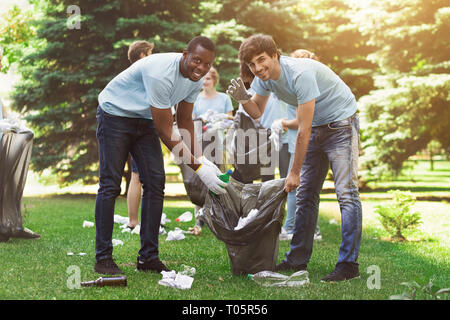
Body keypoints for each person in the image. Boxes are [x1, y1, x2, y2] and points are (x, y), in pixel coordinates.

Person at [227, 34, 362, 282]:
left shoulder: (300, 73)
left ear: (275, 55)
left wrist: (294, 171)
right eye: (252, 64)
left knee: (346, 192)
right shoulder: (263, 79)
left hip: (341, 124)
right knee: (305, 195)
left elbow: (303, 129)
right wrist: (243, 98)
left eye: (262, 60)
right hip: (318, 127)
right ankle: (297, 259)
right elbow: (256, 111)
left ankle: (348, 264)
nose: (258, 68)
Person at [94, 35, 227, 275]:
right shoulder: (161, 72)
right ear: (185, 55)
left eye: (207, 64)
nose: (201, 68)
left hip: (143, 119)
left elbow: (185, 121)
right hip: (115, 113)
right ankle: (103, 257)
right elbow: (167, 131)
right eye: (197, 60)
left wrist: (203, 160)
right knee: (110, 185)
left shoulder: (195, 80)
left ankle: (148, 258)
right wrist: (198, 168)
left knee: (155, 182)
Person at [280, 49, 322, 241]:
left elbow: (302, 120)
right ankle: (312, 230)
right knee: (307, 188)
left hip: (303, 142)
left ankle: (291, 228)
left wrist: (283, 123)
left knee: (294, 185)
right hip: (297, 141)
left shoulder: (301, 85)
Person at [191, 66, 233, 230]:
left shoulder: (224, 99)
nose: (204, 82)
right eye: (202, 78)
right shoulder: (196, 99)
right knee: (199, 181)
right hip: (201, 145)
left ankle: (219, 217)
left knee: (219, 179)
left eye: (207, 78)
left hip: (219, 144)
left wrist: (220, 119)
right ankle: (199, 219)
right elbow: (192, 122)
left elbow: (230, 120)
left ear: (214, 80)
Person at [125, 40, 154, 230]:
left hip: (133, 127)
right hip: (140, 129)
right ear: (143, 55)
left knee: (139, 176)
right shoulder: (143, 74)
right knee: (138, 176)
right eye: (150, 53)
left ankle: (136, 220)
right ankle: (134, 221)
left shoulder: (129, 75)